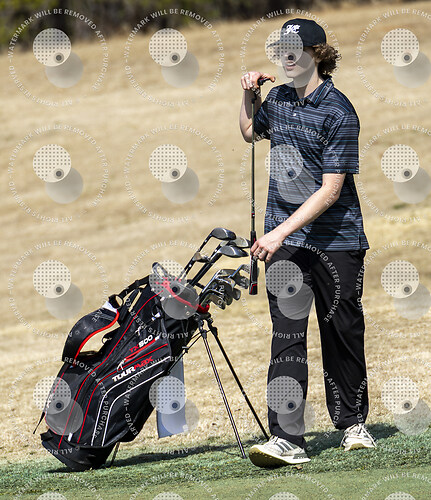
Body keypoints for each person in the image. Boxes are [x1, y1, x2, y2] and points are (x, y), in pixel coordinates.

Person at [239, 18, 376, 467]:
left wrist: (279, 231)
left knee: (341, 331)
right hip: (286, 246)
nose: (287, 55)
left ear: (318, 53)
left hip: (337, 240)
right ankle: (286, 438)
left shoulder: (339, 111)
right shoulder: (278, 99)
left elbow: (331, 190)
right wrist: (248, 96)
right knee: (287, 336)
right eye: (282, 48)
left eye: (296, 48)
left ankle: (352, 424)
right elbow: (249, 132)